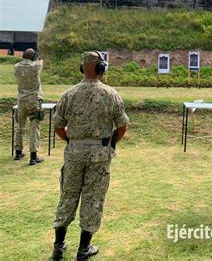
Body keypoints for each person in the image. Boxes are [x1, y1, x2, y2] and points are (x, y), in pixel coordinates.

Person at [51, 52, 129, 260]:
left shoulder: (69, 94)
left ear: (82, 68)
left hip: (74, 154)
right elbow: (122, 127)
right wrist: (110, 143)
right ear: (101, 69)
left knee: (67, 196)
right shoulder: (111, 94)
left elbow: (58, 127)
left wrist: (73, 141)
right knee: (93, 199)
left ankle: (59, 246)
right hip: (100, 156)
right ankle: (83, 249)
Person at [13, 48, 44, 165]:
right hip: (34, 100)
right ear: (33, 57)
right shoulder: (36, 66)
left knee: (20, 126)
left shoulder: (16, 66)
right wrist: (38, 57)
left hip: (21, 100)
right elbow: (41, 61)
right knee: (34, 127)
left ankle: (18, 152)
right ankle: (33, 156)